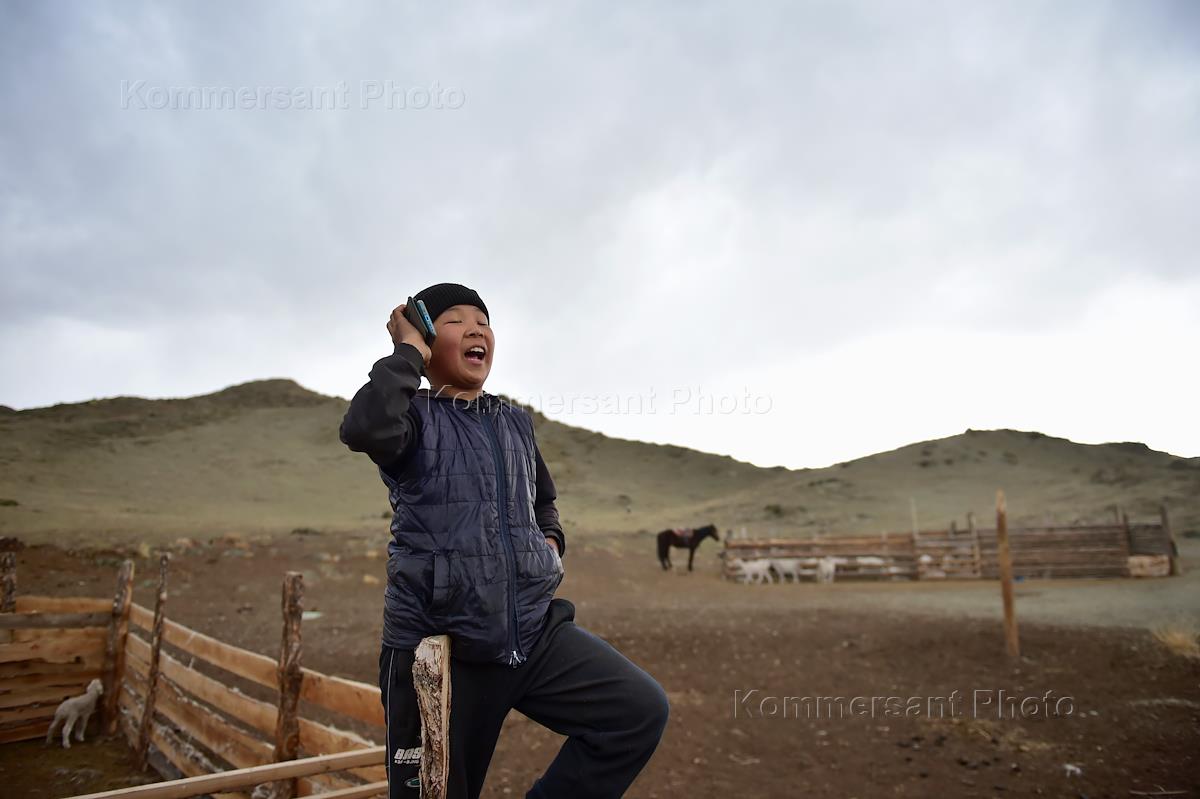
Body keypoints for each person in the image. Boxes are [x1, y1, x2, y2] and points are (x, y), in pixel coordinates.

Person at [339, 282, 670, 799]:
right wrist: (406, 352)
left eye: (484, 322)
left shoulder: (513, 422)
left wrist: (550, 547)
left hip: (530, 633)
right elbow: (364, 428)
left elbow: (544, 501)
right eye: (454, 321)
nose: (476, 330)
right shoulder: (412, 418)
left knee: (636, 711)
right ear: (426, 339)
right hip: (438, 650)